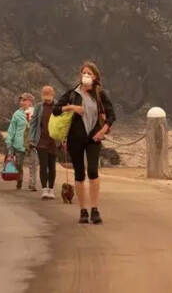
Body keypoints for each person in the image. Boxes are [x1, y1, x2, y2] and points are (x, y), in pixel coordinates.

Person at [53, 61, 115, 224]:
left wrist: (102, 131)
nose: (86, 76)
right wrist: (72, 107)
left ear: (95, 77)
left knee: (93, 171)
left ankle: (94, 208)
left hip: (94, 137)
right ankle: (83, 210)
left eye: (90, 73)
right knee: (79, 173)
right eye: (84, 73)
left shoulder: (100, 94)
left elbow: (111, 115)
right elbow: (56, 109)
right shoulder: (73, 93)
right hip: (75, 138)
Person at [30, 86, 57, 199]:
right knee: (43, 165)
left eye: (49, 97)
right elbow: (34, 123)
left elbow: (63, 123)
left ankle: (51, 189)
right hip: (41, 140)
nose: (47, 99)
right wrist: (31, 139)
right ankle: (44, 189)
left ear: (53, 95)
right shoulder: (38, 107)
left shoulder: (58, 107)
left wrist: (64, 139)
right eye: (45, 96)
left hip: (54, 140)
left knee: (52, 166)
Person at [5, 93, 34, 190]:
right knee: (19, 164)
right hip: (19, 143)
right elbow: (12, 129)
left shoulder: (34, 112)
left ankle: (32, 183)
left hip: (31, 143)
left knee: (32, 165)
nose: (22, 102)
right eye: (21, 100)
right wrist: (9, 142)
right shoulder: (17, 114)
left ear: (30, 101)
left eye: (24, 100)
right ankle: (19, 180)